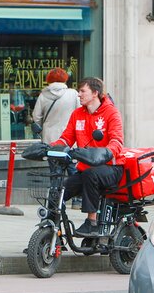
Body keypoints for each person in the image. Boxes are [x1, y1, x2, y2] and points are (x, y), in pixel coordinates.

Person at [52, 77, 125, 237]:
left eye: (82, 91)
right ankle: (51, 229)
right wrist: (52, 147)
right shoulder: (77, 114)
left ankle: (92, 223)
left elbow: (117, 141)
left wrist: (105, 152)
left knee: (90, 175)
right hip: (85, 169)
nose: (79, 94)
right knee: (59, 190)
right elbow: (66, 138)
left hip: (112, 168)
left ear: (95, 93)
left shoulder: (111, 113)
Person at [33, 68, 82, 209]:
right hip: (70, 139)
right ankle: (77, 200)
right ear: (65, 78)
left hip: (51, 140)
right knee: (73, 169)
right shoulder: (73, 94)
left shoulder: (43, 95)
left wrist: (46, 125)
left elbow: (36, 117)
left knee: (55, 173)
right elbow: (80, 113)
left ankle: (55, 202)